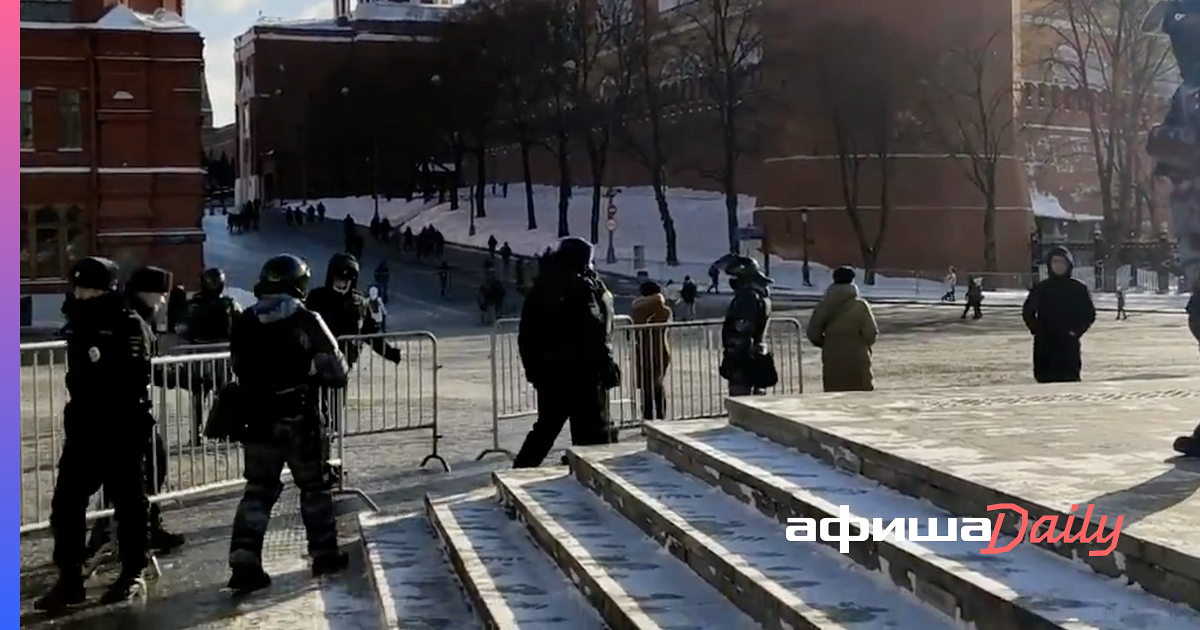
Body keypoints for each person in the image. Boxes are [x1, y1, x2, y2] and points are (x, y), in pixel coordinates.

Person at [227, 254, 350, 594]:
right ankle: (324, 554)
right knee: (314, 488)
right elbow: (337, 372)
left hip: (256, 418)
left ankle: (243, 560)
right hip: (299, 416)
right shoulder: (306, 318)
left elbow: (238, 364)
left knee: (257, 490)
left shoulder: (245, 319)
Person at [36, 257, 154, 611]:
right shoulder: (78, 322)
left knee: (129, 503)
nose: (82, 294)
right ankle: (70, 579)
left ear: (107, 289)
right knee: (66, 505)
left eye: (90, 288)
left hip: (121, 425)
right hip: (84, 427)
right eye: (79, 287)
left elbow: (136, 374)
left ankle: (133, 570)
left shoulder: (128, 323)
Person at [513, 239, 621, 468]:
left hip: (551, 372)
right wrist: (606, 363)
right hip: (583, 373)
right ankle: (589, 475)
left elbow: (527, 335)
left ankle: (520, 471)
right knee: (591, 432)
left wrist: (534, 370)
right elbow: (594, 330)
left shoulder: (544, 285)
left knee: (545, 429)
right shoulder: (582, 286)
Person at [1022, 246, 1097, 383]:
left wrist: (1075, 331)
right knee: (1045, 383)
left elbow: (1089, 314)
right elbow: (1028, 312)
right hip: (1045, 346)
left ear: (1068, 265)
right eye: (1055, 262)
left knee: (1069, 382)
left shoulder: (1078, 289)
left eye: (1061, 262)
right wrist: (1037, 330)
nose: (1058, 266)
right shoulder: (1041, 288)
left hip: (1068, 345)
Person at [806, 266, 879, 392]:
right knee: (860, 395)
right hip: (857, 357)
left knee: (834, 394)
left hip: (832, 356)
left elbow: (813, 333)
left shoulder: (823, 306)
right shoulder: (860, 306)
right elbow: (870, 334)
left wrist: (827, 343)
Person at [719, 257, 774, 396]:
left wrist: (732, 354)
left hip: (744, 357)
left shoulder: (747, 297)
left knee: (741, 402)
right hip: (756, 353)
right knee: (756, 401)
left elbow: (741, 328)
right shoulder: (760, 295)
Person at [631, 281, 672, 420]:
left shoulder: (636, 310)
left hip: (642, 351)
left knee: (646, 387)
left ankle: (647, 417)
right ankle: (661, 416)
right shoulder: (664, 310)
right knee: (658, 385)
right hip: (660, 350)